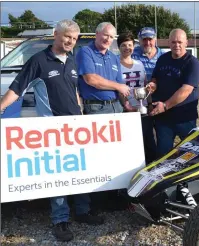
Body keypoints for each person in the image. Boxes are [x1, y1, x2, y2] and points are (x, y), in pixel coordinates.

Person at [0, 19, 103, 242]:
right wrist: (1, 106)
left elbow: (74, 92)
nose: (70, 41)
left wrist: (82, 116)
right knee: (58, 174)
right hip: (53, 130)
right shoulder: (38, 61)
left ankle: (83, 211)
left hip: (76, 128)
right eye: (67, 36)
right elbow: (17, 88)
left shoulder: (73, 61)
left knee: (81, 170)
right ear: (56, 34)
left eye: (74, 39)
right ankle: (60, 220)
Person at [147, 29, 199, 157]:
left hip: (184, 118)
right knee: (163, 155)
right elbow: (155, 78)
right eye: (173, 42)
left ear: (186, 43)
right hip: (164, 119)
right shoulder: (162, 59)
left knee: (190, 155)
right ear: (168, 43)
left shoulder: (193, 63)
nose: (177, 45)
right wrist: (152, 85)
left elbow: (186, 90)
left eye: (180, 42)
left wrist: (165, 105)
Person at [76, 22, 130, 115]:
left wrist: (127, 104)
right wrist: (118, 86)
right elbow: (91, 79)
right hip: (97, 108)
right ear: (97, 33)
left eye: (111, 37)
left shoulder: (114, 58)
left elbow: (120, 86)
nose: (108, 39)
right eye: (106, 35)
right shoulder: (86, 51)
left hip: (116, 106)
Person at [117, 32, 154, 164]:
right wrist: (125, 104)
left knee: (148, 139)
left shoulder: (139, 64)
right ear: (118, 47)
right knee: (131, 141)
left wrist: (149, 104)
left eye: (130, 45)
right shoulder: (115, 64)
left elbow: (145, 85)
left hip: (142, 108)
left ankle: (150, 165)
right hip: (126, 109)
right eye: (123, 45)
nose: (127, 48)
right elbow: (116, 87)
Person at [131, 27, 164, 163]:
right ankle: (149, 162)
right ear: (139, 41)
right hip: (140, 101)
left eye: (150, 39)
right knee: (146, 134)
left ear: (155, 40)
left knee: (162, 135)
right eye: (144, 39)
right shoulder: (132, 54)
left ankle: (161, 161)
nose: (147, 42)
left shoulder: (164, 56)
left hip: (160, 100)